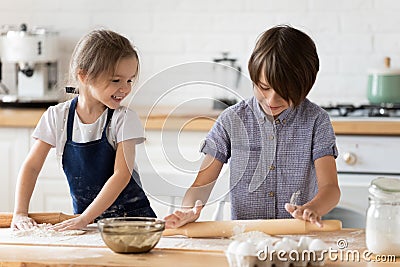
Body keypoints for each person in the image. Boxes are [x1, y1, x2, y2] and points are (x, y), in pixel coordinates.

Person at [164, 25, 340, 229]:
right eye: (263, 87)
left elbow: (330, 189)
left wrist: (313, 208)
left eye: (285, 92)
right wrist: (188, 210)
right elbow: (201, 185)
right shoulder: (231, 120)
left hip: (298, 236)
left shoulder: (317, 121)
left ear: (305, 86)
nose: (271, 99)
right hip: (244, 237)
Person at [11, 29, 156, 231]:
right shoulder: (57, 117)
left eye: (130, 80)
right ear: (84, 75)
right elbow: (32, 167)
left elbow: (121, 175)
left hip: (132, 224)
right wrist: (20, 213)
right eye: (116, 80)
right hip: (88, 225)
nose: (125, 88)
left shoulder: (123, 119)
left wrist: (85, 218)